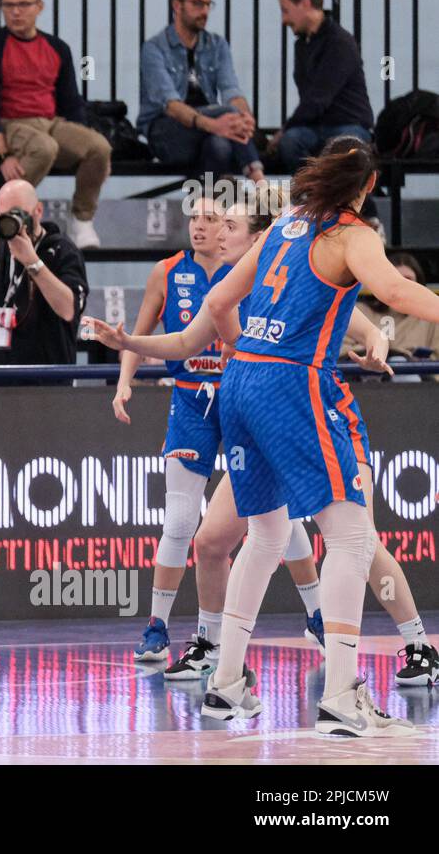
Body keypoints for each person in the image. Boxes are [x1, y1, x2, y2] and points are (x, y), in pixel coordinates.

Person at [87, 193, 437, 689]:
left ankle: (416, 644)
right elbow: (186, 343)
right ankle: (218, 654)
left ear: (260, 237)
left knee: (356, 541)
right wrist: (128, 345)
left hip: (316, 415)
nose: (219, 234)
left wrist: (377, 346)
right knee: (212, 540)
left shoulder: (301, 278)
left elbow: (367, 325)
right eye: (215, 223)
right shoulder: (232, 287)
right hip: (260, 420)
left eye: (229, 225)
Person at [201, 137, 439, 734]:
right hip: (293, 385)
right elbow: (397, 293)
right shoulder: (353, 234)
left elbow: (219, 298)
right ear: (370, 183)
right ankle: (341, 692)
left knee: (266, 533)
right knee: (351, 533)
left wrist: (251, 351)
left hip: (243, 380)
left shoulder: (286, 221)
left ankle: (226, 684)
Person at [105, 185, 322, 663]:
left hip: (247, 396)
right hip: (191, 400)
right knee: (182, 519)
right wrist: (124, 381)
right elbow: (144, 336)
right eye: (196, 219)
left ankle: (317, 614)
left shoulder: (256, 268)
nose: (204, 227)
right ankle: (159, 626)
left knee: (279, 516)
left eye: (216, 220)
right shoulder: (167, 272)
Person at [0, 0, 111, 250]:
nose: (16, 12)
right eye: (8, 6)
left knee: (100, 148)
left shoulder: (57, 48)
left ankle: (82, 219)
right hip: (9, 123)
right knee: (44, 148)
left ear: (40, 6)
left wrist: (90, 152)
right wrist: (3, 154)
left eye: (23, 4)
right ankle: (5, 218)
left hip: (49, 122)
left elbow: (71, 102)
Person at [138, 0, 264, 181]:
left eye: (208, 4)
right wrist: (219, 123)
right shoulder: (154, 48)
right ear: (177, 6)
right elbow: (171, 105)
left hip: (210, 131)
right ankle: (260, 182)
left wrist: (245, 119)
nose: (204, 11)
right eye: (197, 3)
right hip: (168, 132)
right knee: (227, 119)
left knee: (219, 145)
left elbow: (231, 90)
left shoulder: (217, 44)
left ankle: (206, 208)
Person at [0, 178, 88, 366]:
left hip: (48, 381)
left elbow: (69, 311)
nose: (12, 222)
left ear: (38, 211)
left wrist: (32, 262)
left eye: (18, 214)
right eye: (4, 216)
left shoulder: (62, 251)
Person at [268, 0, 374, 172]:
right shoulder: (302, 44)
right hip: (316, 126)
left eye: (286, 10)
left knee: (342, 145)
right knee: (292, 142)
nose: (284, 20)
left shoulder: (339, 42)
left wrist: (283, 130)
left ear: (305, 4)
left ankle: (341, 199)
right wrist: (287, 132)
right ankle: (309, 197)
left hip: (349, 123)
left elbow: (318, 99)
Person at [342, 250, 439, 363]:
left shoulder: (432, 318)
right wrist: (377, 354)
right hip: (365, 375)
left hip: (415, 377)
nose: (402, 287)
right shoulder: (360, 311)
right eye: (396, 280)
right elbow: (342, 349)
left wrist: (409, 359)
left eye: (408, 280)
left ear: (419, 285)